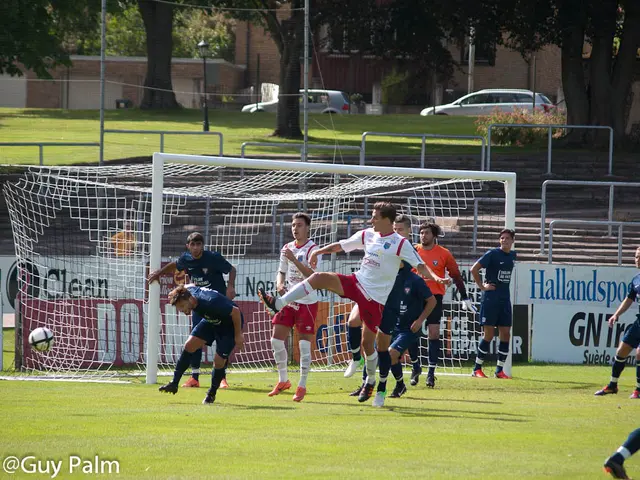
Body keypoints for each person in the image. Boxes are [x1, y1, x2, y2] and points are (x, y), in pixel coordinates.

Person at [258, 202, 448, 405]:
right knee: (319, 277)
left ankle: (373, 382)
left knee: (370, 345)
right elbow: (342, 244)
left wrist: (436, 278)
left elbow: (420, 265)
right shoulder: (368, 234)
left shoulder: (400, 243)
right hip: (357, 282)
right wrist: (318, 251)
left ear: (385, 220)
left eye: (374, 216)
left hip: (375, 300)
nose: (371, 220)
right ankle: (280, 303)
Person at [148, 232, 236, 389]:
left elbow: (231, 269)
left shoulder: (213, 257)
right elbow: (175, 265)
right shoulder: (186, 258)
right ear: (187, 246)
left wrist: (230, 286)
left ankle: (222, 377)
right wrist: (159, 274)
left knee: (221, 340)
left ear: (203, 245)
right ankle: (194, 377)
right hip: (197, 304)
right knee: (195, 339)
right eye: (192, 245)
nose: (196, 248)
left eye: (198, 244)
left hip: (217, 304)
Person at [412, 222, 475, 388]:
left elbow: (455, 274)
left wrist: (465, 297)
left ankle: (431, 373)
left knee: (433, 333)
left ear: (434, 235)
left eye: (426, 233)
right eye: (421, 233)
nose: (423, 236)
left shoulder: (444, 253)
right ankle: (416, 366)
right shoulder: (413, 250)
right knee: (413, 330)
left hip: (434, 298)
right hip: (415, 297)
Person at [158, 284, 244, 405]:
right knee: (189, 345)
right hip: (211, 320)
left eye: (182, 306)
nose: (182, 310)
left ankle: (211, 393)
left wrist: (238, 335)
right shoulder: (189, 293)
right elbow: (189, 285)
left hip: (228, 326)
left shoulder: (210, 301)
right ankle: (174, 383)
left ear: (190, 299)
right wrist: (173, 292)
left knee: (218, 361)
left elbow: (235, 312)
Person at [268, 212, 320, 402]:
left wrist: (295, 259)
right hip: (289, 301)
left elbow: (313, 276)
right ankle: (283, 380)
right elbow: (281, 272)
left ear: (307, 228)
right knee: (276, 340)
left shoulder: (313, 249)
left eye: (299, 225)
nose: (295, 228)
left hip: (307, 301)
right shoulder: (286, 247)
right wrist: (279, 284)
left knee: (304, 345)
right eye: (293, 225)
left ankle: (302, 385)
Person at [471, 229, 516, 379]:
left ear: (512, 241)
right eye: (502, 238)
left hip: (504, 300)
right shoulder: (492, 254)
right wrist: (482, 287)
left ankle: (499, 371)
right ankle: (476, 369)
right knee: (488, 335)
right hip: (490, 300)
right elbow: (474, 269)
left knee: (506, 334)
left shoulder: (512, 256)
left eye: (507, 238)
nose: (504, 240)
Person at [595, 247, 640, 398]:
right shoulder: (636, 279)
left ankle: (638, 390)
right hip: (639, 323)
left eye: (639, 257)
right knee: (621, 351)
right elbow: (629, 299)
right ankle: (612, 385)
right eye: (636, 257)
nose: (637, 260)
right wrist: (616, 314)